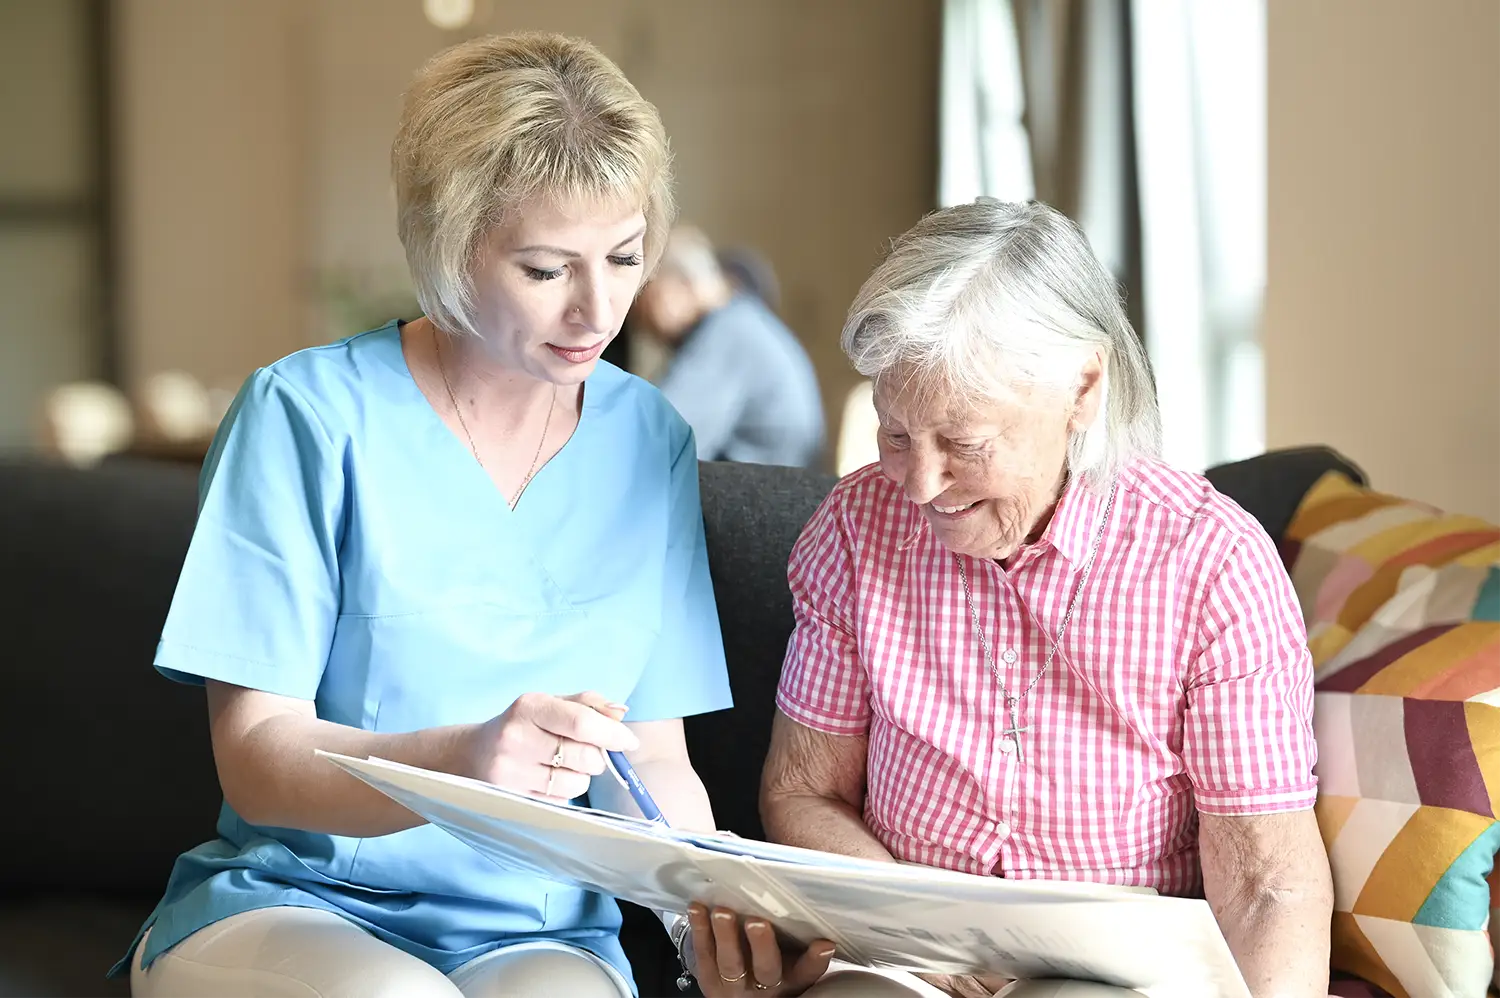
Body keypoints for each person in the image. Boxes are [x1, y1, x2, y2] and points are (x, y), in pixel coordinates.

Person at [113, 32, 740, 998]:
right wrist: (465, 761)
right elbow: (256, 754)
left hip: (538, 927)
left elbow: (651, 756)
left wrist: (709, 914)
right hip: (298, 899)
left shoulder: (648, 436)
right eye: (545, 269)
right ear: (448, 246)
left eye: (623, 257)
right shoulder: (306, 415)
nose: (598, 310)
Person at [683, 199, 1336, 998]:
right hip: (904, 952)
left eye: (963, 442)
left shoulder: (1212, 564)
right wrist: (920, 936)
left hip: (1113, 970)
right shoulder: (856, 530)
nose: (918, 484)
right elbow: (803, 791)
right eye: (895, 434)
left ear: (1083, 389)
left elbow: (1270, 885)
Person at [634, 225, 827, 468]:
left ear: (679, 285)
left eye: (644, 298)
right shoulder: (742, 321)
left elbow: (657, 438)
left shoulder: (730, 330)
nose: (642, 324)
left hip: (769, 495)